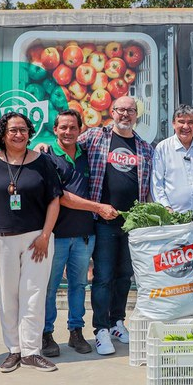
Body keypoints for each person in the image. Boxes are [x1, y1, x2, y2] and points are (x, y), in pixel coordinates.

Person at [0, 112, 62, 372]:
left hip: (35, 239)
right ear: (2, 135)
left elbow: (54, 200)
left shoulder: (43, 163)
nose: (19, 134)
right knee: (8, 296)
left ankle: (31, 351)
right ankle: (14, 350)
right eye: (13, 130)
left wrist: (44, 236)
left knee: (34, 295)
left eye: (23, 130)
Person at [79, 95, 154, 355]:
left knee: (124, 276)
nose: (125, 114)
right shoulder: (95, 137)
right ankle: (100, 329)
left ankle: (116, 323)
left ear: (136, 115)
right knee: (103, 277)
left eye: (130, 111)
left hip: (132, 224)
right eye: (120, 110)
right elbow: (67, 147)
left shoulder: (144, 147)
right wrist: (45, 149)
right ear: (112, 112)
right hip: (105, 221)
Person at [41, 110, 118, 357]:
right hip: (57, 235)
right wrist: (97, 207)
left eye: (73, 127)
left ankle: (76, 332)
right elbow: (60, 196)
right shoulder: (47, 156)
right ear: (55, 130)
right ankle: (46, 334)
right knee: (50, 287)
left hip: (85, 234)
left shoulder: (88, 154)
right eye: (63, 127)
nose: (68, 132)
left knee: (79, 285)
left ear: (80, 130)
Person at [151, 104, 193, 293]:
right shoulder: (163, 148)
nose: (185, 126)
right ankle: (177, 305)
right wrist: (166, 209)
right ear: (173, 124)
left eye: (190, 122)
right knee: (175, 267)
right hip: (174, 220)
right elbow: (157, 183)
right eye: (181, 122)